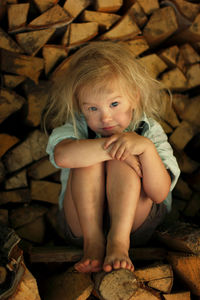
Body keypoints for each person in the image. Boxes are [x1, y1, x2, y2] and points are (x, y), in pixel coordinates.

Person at [44, 41, 180, 274]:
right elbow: (63, 155)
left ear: (134, 97)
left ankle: (118, 241)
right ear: (80, 106)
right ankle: (94, 242)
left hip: (137, 227)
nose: (105, 118)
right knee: (85, 157)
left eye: (114, 104)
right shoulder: (77, 127)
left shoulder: (148, 130)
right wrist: (114, 149)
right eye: (92, 109)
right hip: (80, 226)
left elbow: (159, 193)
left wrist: (144, 149)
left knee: (119, 158)